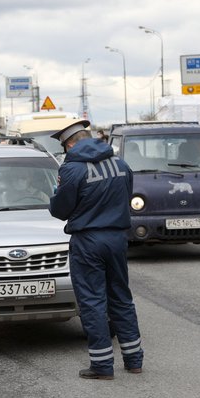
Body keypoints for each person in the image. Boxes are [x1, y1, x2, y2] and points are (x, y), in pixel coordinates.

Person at [48, 119, 143, 380]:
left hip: (88, 241)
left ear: (70, 144)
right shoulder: (121, 165)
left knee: (92, 301)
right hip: (117, 239)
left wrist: (54, 197)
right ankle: (134, 360)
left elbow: (60, 210)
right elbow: (126, 197)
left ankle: (102, 366)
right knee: (121, 298)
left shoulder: (72, 170)